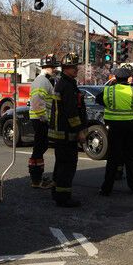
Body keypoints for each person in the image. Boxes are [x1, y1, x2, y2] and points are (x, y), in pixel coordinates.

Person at [96, 65, 133, 196]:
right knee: (131, 158)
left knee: (113, 158)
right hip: (131, 128)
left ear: (116, 78)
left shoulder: (109, 91)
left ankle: (106, 188)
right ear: (128, 78)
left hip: (114, 128)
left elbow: (98, 99)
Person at [48, 52, 88, 207]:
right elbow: (72, 112)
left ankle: (56, 192)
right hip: (66, 134)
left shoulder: (63, 83)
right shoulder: (67, 85)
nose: (76, 69)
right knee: (67, 166)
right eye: (74, 67)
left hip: (61, 133)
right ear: (66, 68)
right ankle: (64, 197)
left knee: (60, 164)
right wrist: (80, 131)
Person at [27, 54, 58, 189]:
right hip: (40, 119)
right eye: (53, 67)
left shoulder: (45, 81)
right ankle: (36, 179)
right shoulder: (42, 81)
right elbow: (37, 101)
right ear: (48, 68)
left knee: (41, 147)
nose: (55, 70)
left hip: (40, 119)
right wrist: (43, 118)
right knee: (39, 148)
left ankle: (37, 178)